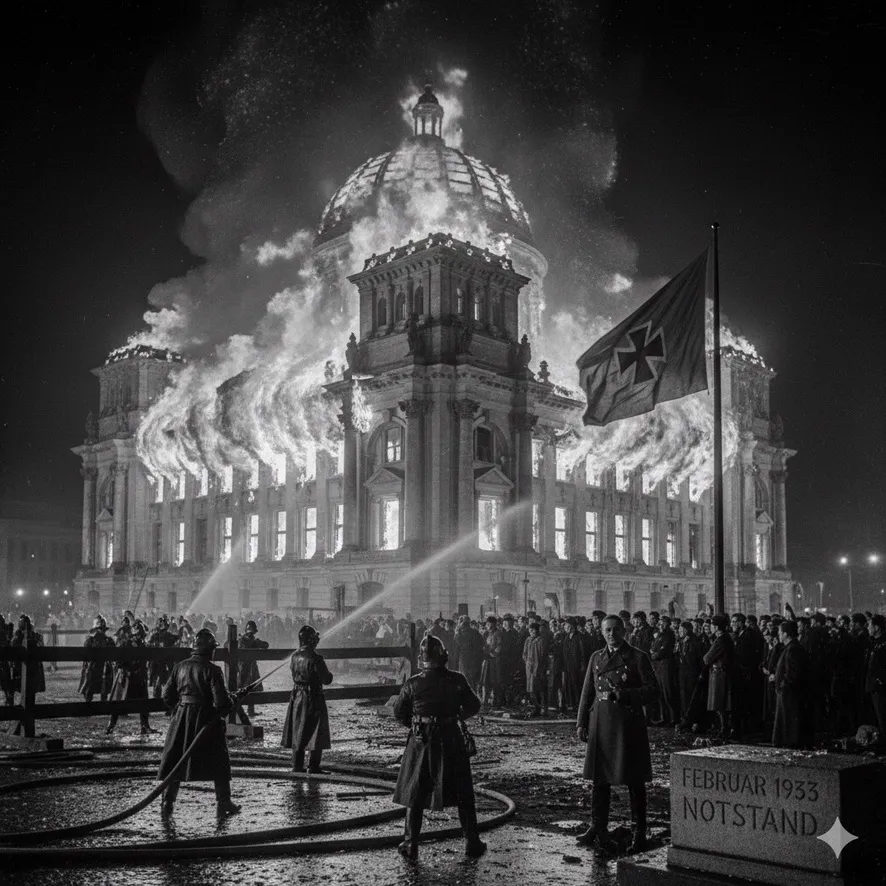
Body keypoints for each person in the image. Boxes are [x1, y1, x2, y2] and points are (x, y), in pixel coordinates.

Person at [392, 633, 485, 860]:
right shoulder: (457, 679)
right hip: (451, 738)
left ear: (421, 658)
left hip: (421, 741)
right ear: (444, 656)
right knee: (463, 791)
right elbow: (474, 705)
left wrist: (417, 724)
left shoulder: (412, 683)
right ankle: (472, 842)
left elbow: (399, 712)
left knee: (415, 792)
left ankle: (410, 843)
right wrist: (455, 716)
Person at [576, 614, 659, 853]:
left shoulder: (637, 657)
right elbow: (587, 692)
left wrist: (626, 695)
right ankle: (597, 827)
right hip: (601, 722)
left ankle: (639, 832)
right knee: (600, 778)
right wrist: (581, 722)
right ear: (602, 632)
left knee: (634, 779)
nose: (612, 634)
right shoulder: (596, 657)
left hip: (627, 725)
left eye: (616, 629)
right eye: (607, 630)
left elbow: (653, 691)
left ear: (624, 631)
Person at [157, 628, 240, 816]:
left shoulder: (180, 667)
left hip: (181, 719)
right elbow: (221, 703)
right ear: (210, 650)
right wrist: (232, 701)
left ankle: (167, 803)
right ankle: (224, 802)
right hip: (206, 720)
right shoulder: (213, 670)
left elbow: (167, 696)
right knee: (219, 759)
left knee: (175, 759)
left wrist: (182, 708)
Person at [281, 624, 333, 773]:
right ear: (312, 640)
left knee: (298, 729)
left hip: (297, 696)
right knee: (316, 730)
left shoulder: (294, 656)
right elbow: (326, 679)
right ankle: (314, 766)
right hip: (313, 697)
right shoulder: (316, 659)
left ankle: (297, 765)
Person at [106, 621, 156, 735]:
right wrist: (128, 668)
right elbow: (118, 660)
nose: (138, 637)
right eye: (136, 634)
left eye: (140, 634)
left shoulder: (143, 644)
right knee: (119, 701)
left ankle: (145, 726)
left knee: (143, 701)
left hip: (139, 677)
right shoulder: (126, 644)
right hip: (126, 677)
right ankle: (111, 725)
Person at [772, 619, 814, 748]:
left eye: (780, 632)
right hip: (787, 693)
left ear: (786, 634)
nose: (778, 635)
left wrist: (783, 686)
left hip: (789, 695)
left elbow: (793, 673)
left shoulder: (793, 649)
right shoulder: (791, 647)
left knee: (789, 724)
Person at [703, 614, 735, 739]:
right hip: (722, 673)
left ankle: (723, 729)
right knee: (721, 704)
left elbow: (707, 658)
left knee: (720, 703)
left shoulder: (721, 640)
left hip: (720, 675)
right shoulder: (724, 638)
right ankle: (723, 728)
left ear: (716, 627)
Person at [234, 620, 269, 718]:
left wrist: (258, 643)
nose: (251, 633)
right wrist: (253, 643)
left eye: (252, 632)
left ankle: (251, 710)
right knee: (241, 687)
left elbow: (266, 645)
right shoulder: (241, 640)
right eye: (249, 631)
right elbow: (242, 651)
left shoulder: (253, 640)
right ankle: (238, 710)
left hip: (252, 666)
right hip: (243, 667)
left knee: (252, 687)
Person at [78, 616, 115, 703]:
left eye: (101, 629)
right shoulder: (90, 640)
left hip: (103, 668)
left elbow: (113, 654)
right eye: (99, 629)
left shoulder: (108, 641)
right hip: (93, 667)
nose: (100, 631)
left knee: (103, 689)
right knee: (89, 688)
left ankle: (101, 704)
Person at [865, 614, 886, 742]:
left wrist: (879, 681)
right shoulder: (874, 643)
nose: (868, 628)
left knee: (883, 718)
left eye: (869, 625)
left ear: (877, 627)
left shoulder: (882, 644)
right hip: (874, 687)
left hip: (879, 688)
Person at [522, 621, 547, 717]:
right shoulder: (528, 640)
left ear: (537, 630)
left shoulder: (541, 641)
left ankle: (540, 709)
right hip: (529, 667)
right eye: (530, 630)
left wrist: (539, 667)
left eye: (533, 630)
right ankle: (535, 708)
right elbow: (524, 653)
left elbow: (542, 655)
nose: (531, 632)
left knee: (538, 689)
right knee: (530, 689)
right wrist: (527, 662)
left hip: (538, 667)